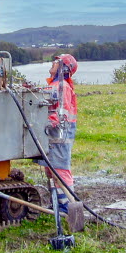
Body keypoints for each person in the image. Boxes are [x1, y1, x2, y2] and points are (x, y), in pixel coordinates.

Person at [38, 54, 78, 213]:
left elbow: (60, 113)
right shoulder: (54, 85)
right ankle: (57, 204)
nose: (52, 64)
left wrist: (46, 123)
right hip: (52, 135)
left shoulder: (61, 86)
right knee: (51, 171)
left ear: (63, 67)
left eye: (56, 62)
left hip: (59, 136)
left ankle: (68, 207)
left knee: (60, 170)